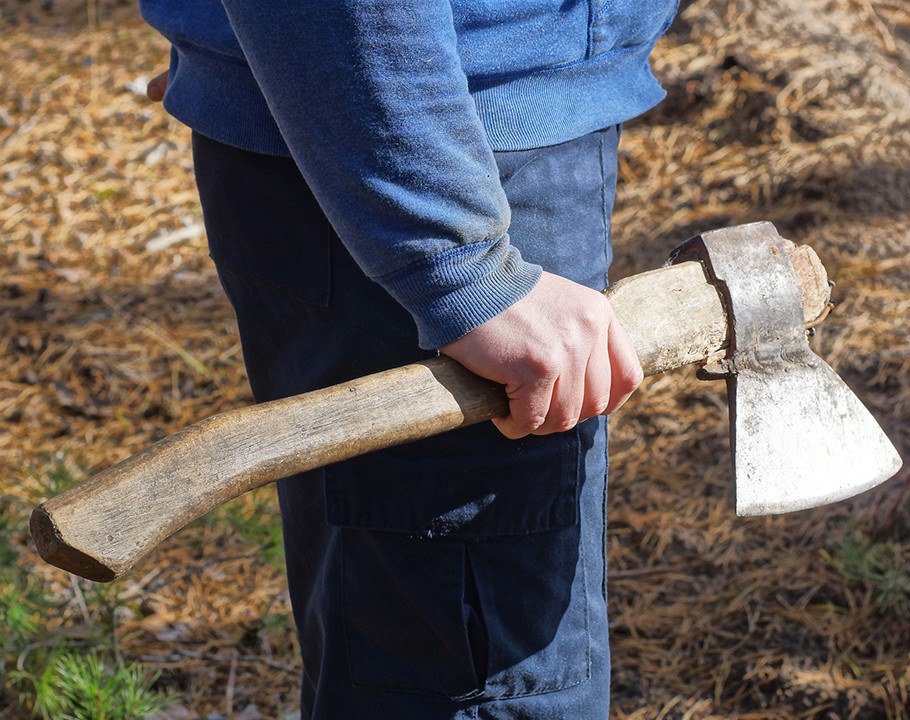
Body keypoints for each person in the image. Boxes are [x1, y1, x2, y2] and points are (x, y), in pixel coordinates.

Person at [141, 1, 678, 717]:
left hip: (410, 127)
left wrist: (296, 73)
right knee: (468, 680)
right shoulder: (446, 230)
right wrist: (459, 267)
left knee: (406, 635)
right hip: (448, 154)